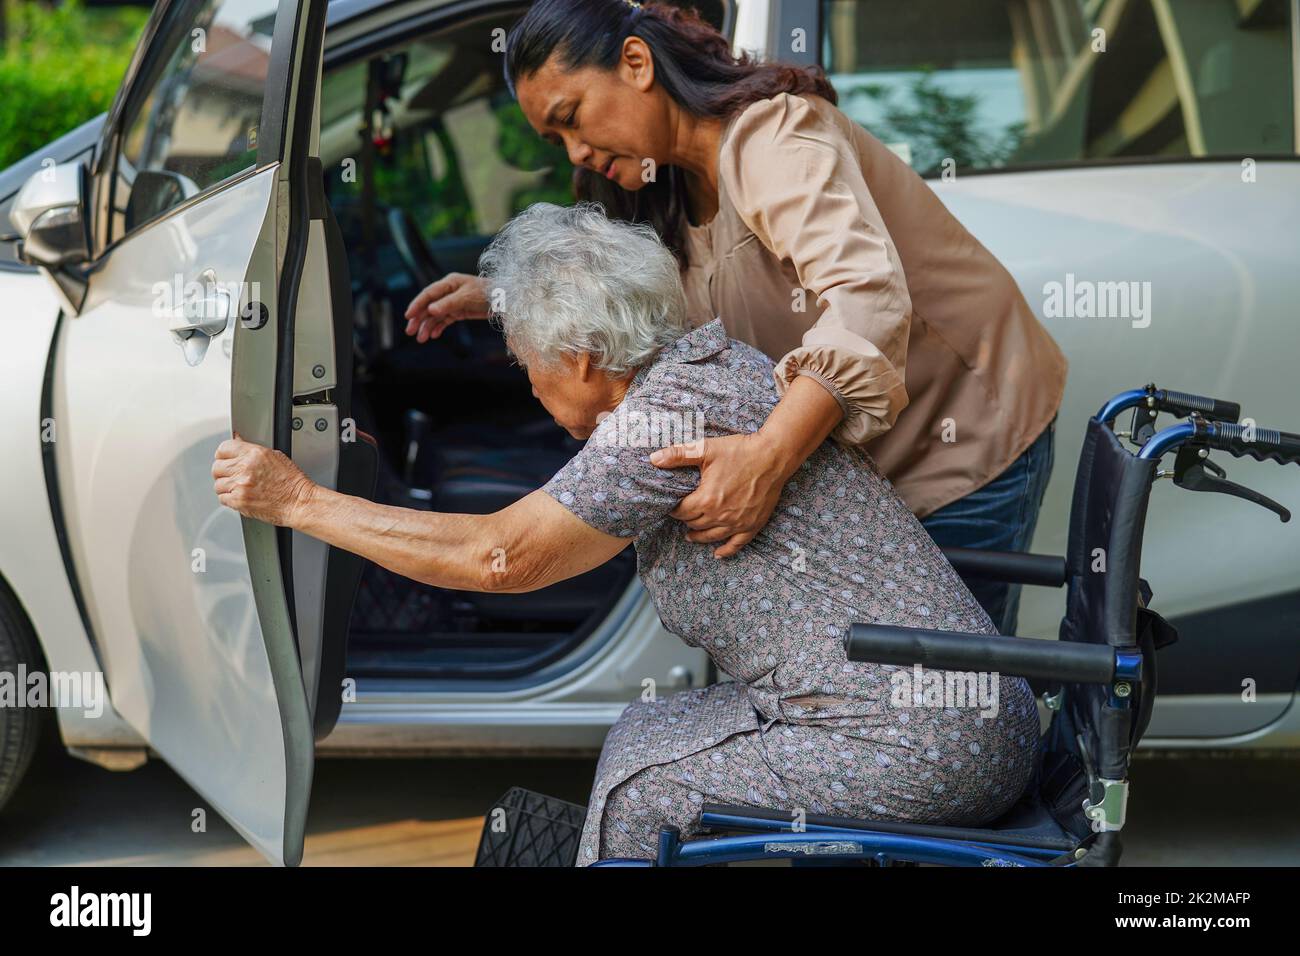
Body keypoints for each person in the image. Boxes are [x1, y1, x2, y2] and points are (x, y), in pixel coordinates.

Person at [215, 203, 1040, 864]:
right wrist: (501, 297)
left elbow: (501, 556)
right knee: (647, 731)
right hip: (950, 712)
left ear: (578, 358)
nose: (529, 383)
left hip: (923, 744)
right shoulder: (717, 363)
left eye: (526, 362)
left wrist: (299, 503)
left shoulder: (657, 425)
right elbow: (585, 297)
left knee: (647, 791)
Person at [403, 0, 1067, 635]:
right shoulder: (667, 191)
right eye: (557, 138)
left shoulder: (774, 138)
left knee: (951, 704)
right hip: (871, 467)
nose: (574, 152)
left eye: (572, 116)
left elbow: (866, 298)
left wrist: (769, 458)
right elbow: (640, 310)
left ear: (636, 64)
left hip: (961, 440)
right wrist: (506, 296)